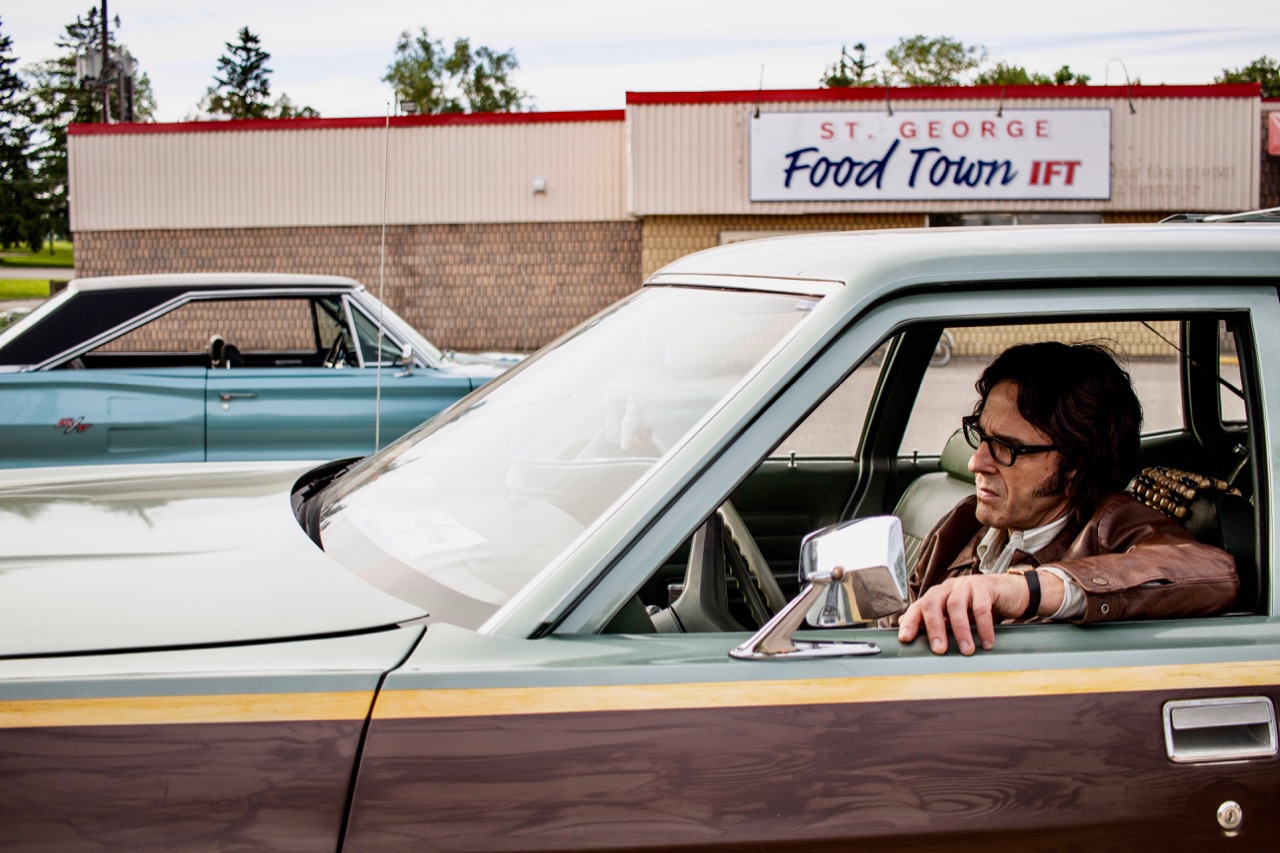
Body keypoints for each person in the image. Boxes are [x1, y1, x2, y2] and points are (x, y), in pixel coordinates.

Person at [895, 341, 1239, 656]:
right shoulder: (963, 522)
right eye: (981, 436)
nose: (976, 462)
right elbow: (893, 629)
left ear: (1074, 464)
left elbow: (1212, 572)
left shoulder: (1112, 525)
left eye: (1007, 447)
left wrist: (1024, 589)